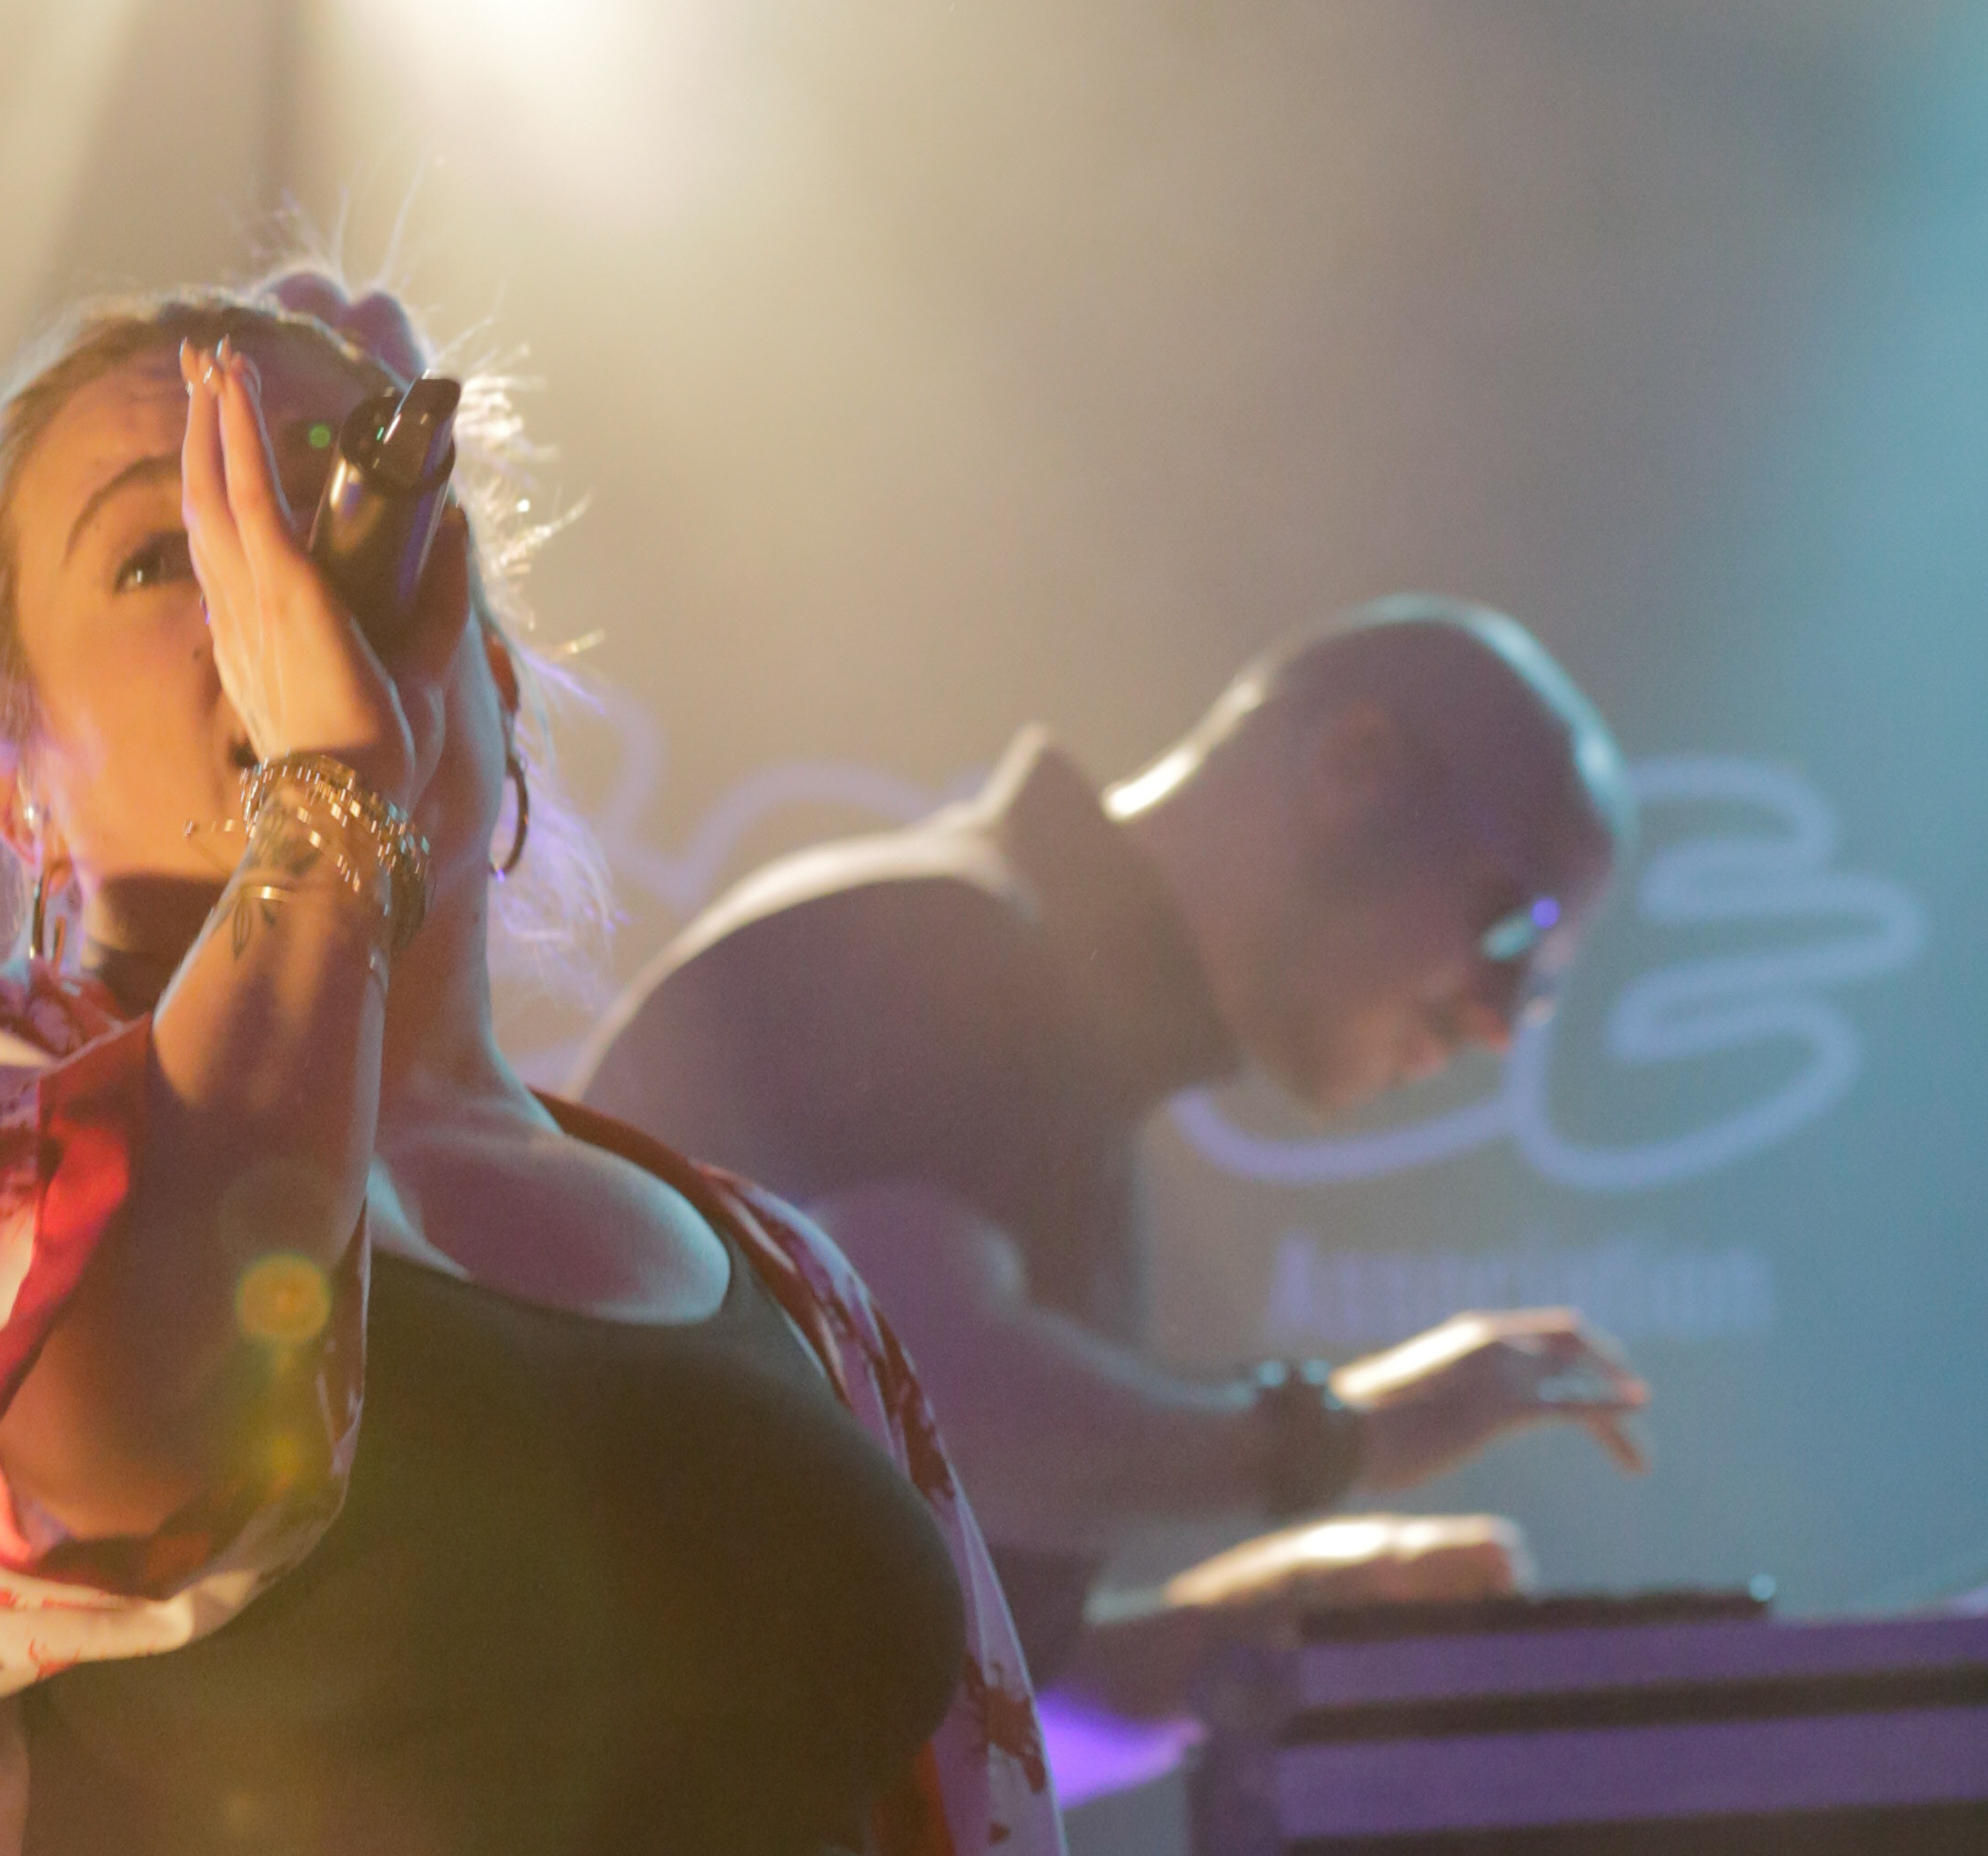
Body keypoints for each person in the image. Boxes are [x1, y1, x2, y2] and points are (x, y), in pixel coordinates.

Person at [0, 272, 1079, 1856]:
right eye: (163, 552)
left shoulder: (778, 1268)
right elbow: (134, 1460)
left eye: (329, 510)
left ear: (489, 670)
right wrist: (325, 808)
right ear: (20, 788)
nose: (278, 590)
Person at [576, 603, 1659, 1742]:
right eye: (1513, 934)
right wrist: (1346, 1435)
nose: (1499, 1026)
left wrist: (1281, 1615)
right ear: (1356, 766)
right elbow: (933, 1415)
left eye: (1538, 991)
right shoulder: (950, 946)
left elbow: (972, 1723)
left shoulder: (1044, 1023)